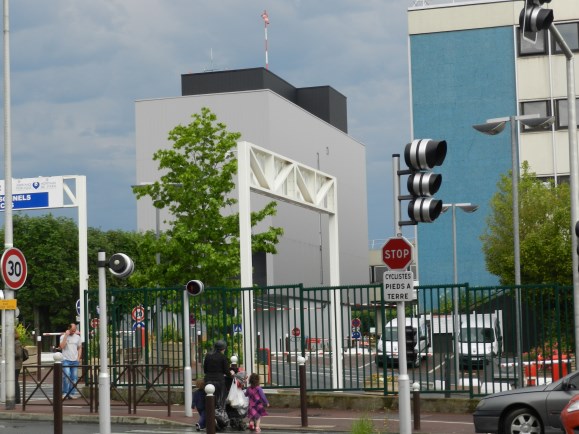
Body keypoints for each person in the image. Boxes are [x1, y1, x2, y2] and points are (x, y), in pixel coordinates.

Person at [203, 340, 233, 409]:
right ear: (223, 349)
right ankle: (219, 413)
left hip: (208, 380)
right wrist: (231, 374)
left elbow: (205, 370)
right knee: (220, 401)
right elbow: (226, 371)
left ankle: (210, 414)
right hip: (219, 381)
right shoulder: (223, 357)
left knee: (209, 401)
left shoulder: (208, 356)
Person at [59, 323, 83, 399]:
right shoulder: (63, 336)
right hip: (65, 359)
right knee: (66, 375)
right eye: (72, 330)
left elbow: (79, 347)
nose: (73, 332)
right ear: (68, 329)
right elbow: (61, 346)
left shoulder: (77, 337)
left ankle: (72, 393)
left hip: (75, 360)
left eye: (74, 330)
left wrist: (78, 358)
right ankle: (65, 392)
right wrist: (66, 336)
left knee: (74, 378)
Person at [14, 331, 23, 404]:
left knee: (15, 381)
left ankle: (17, 399)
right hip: (15, 364)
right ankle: (16, 398)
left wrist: (9, 355)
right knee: (14, 381)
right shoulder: (15, 342)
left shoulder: (17, 342)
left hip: (16, 365)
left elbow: (18, 354)